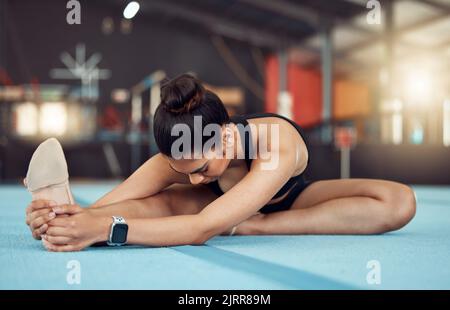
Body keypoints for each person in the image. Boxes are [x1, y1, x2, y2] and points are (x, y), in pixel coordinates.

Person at [24, 74, 416, 252]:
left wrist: (110, 231)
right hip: (217, 205)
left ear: (227, 137)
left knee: (398, 203)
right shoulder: (186, 152)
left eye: (201, 169)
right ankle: (60, 217)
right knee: (152, 205)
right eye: (183, 170)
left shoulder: (275, 145)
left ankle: (252, 227)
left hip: (293, 200)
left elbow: (198, 230)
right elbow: (115, 202)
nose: (193, 179)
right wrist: (75, 217)